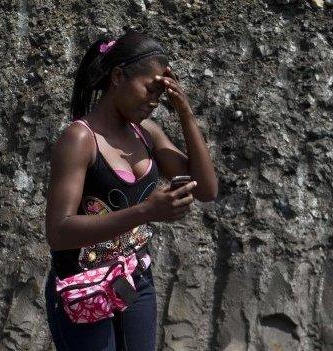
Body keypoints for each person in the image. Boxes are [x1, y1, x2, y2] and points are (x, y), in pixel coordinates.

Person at [43, 30, 218, 350]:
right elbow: (59, 231)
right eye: (150, 89)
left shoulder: (146, 133)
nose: (154, 102)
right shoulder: (80, 140)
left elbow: (206, 189)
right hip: (83, 287)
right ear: (118, 76)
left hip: (134, 280)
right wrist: (146, 211)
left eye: (161, 95)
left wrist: (185, 113)